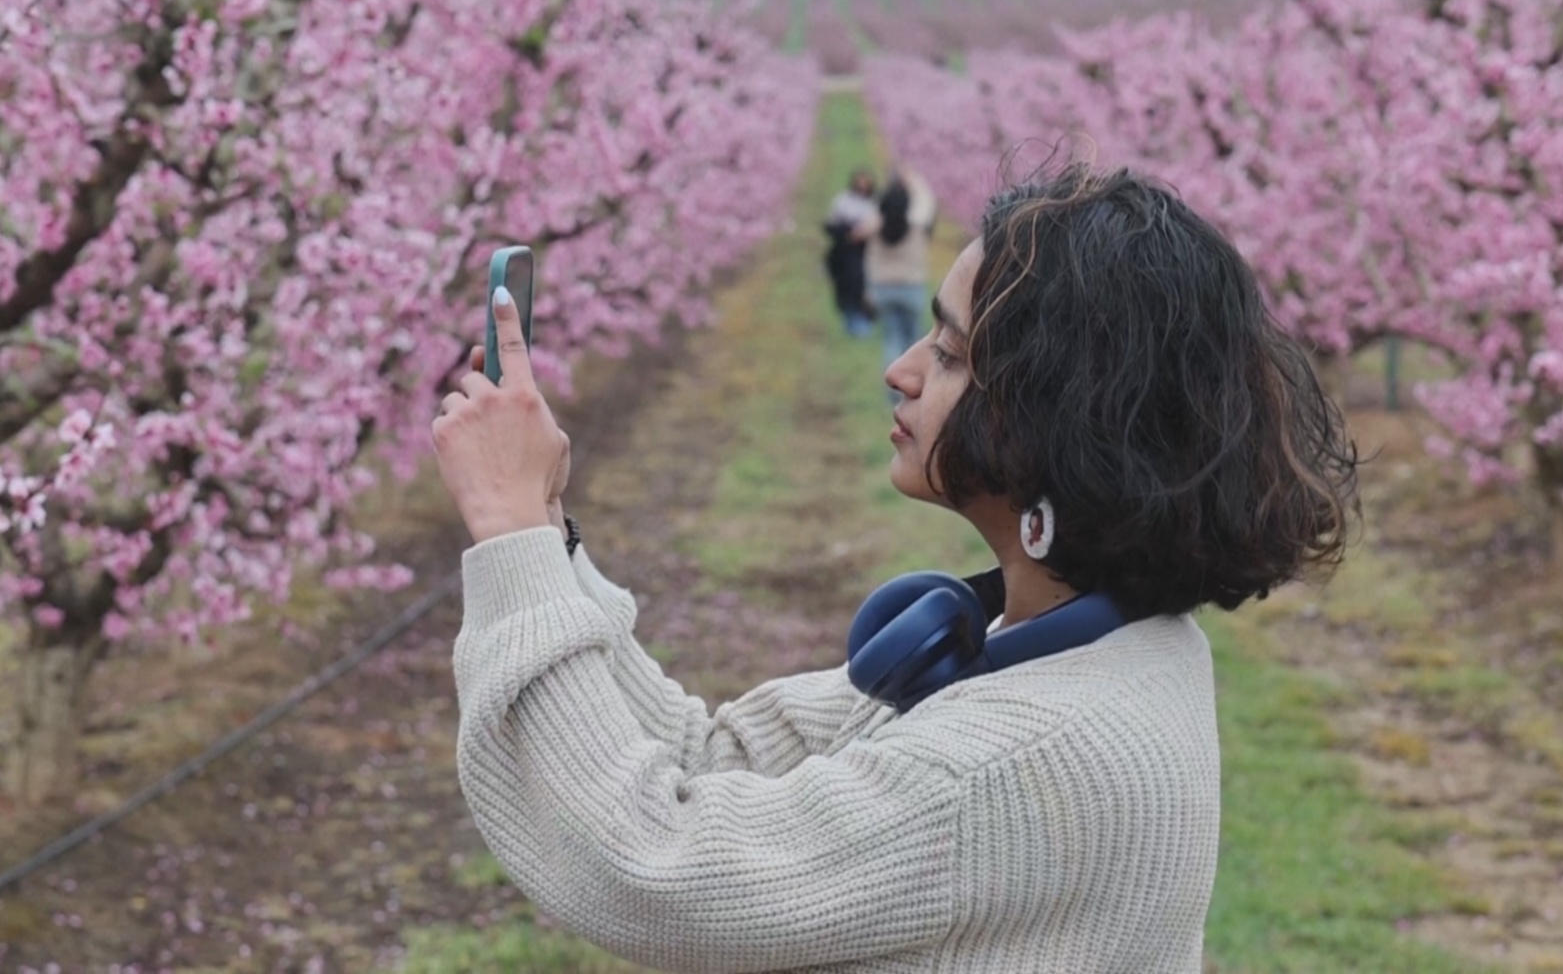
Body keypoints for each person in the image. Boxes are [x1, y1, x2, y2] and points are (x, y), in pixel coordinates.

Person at [430, 162, 1360, 972]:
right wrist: (543, 530)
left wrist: (509, 532)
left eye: (952, 353)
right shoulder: (1064, 645)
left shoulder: (1016, 760)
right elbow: (707, 761)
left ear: (1060, 420)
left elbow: (655, 865)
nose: (903, 369)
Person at [856, 167, 936, 401]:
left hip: (882, 289)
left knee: (891, 339)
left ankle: (893, 394)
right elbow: (926, 200)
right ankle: (914, 391)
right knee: (913, 343)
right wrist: (912, 179)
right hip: (912, 288)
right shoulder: (916, 223)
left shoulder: (875, 224)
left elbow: (861, 228)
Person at [821, 168, 879, 337]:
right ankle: (851, 323)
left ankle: (863, 324)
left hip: (866, 255)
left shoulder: (874, 204)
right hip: (845, 256)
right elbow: (831, 224)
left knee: (865, 290)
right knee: (846, 291)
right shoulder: (843, 201)